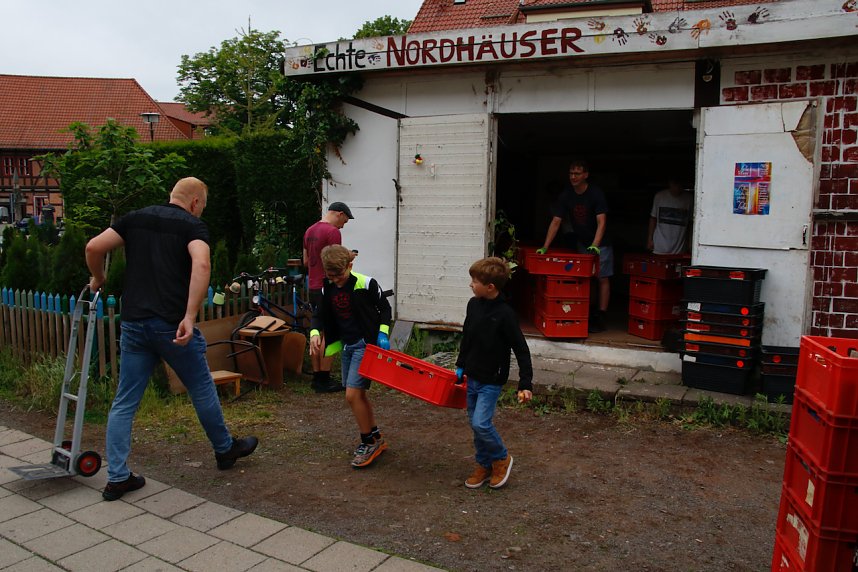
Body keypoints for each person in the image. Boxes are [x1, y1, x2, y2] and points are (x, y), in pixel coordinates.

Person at [85, 177, 258, 501]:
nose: (201, 213)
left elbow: (93, 247)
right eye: (202, 207)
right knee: (201, 386)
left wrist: (99, 277)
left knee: (125, 401)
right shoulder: (192, 227)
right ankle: (224, 450)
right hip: (172, 326)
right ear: (194, 203)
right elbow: (202, 263)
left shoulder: (135, 218)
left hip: (135, 324)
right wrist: (190, 316)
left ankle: (118, 477)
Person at [309, 244, 392, 468]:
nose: (336, 279)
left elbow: (385, 309)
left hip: (366, 345)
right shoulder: (328, 288)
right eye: (331, 275)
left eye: (340, 274)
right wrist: (315, 333)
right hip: (347, 346)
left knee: (352, 395)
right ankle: (375, 436)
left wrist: (383, 334)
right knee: (358, 395)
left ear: (350, 265)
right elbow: (318, 314)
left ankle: (368, 442)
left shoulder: (366, 283)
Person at [456, 257, 533, 490]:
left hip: (492, 378)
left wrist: (525, 383)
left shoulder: (505, 314)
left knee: (481, 423)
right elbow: (467, 336)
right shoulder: (473, 305)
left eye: (474, 281)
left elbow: (521, 349)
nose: (471, 284)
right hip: (473, 375)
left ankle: (501, 458)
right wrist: (461, 364)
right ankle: (483, 464)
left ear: (490, 287)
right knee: (473, 422)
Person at [537, 159, 613, 333]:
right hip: (582, 241)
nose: (573, 177)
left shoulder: (595, 193)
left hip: (601, 243)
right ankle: (589, 310)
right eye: (571, 173)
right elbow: (556, 221)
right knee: (587, 278)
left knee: (602, 278)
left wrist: (596, 244)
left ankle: (601, 315)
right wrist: (545, 246)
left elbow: (602, 222)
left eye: (577, 173)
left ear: (586, 175)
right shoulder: (566, 195)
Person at [303, 202, 354, 393]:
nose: (343, 226)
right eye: (345, 221)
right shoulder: (333, 232)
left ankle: (317, 377)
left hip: (313, 286)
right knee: (331, 332)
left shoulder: (309, 231)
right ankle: (324, 378)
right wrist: (350, 256)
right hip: (329, 285)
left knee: (318, 330)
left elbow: (306, 261)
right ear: (339, 214)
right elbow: (337, 261)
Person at [647, 177, 693, 254]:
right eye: (675, 184)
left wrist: (690, 243)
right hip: (659, 247)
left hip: (679, 249)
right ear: (670, 183)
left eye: (679, 185)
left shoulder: (689, 199)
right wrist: (649, 239)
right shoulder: (659, 196)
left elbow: (690, 223)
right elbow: (653, 218)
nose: (677, 188)